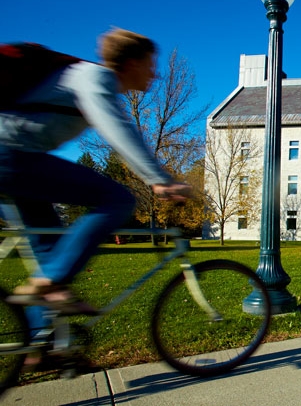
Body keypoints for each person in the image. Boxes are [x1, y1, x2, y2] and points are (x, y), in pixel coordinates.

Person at [0, 29, 191, 338]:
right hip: (10, 157)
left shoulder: (90, 81)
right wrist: (160, 180)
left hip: (19, 163)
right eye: (150, 65)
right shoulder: (95, 78)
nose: (154, 75)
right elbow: (117, 131)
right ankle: (49, 284)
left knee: (53, 251)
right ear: (130, 63)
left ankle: (45, 344)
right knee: (117, 198)